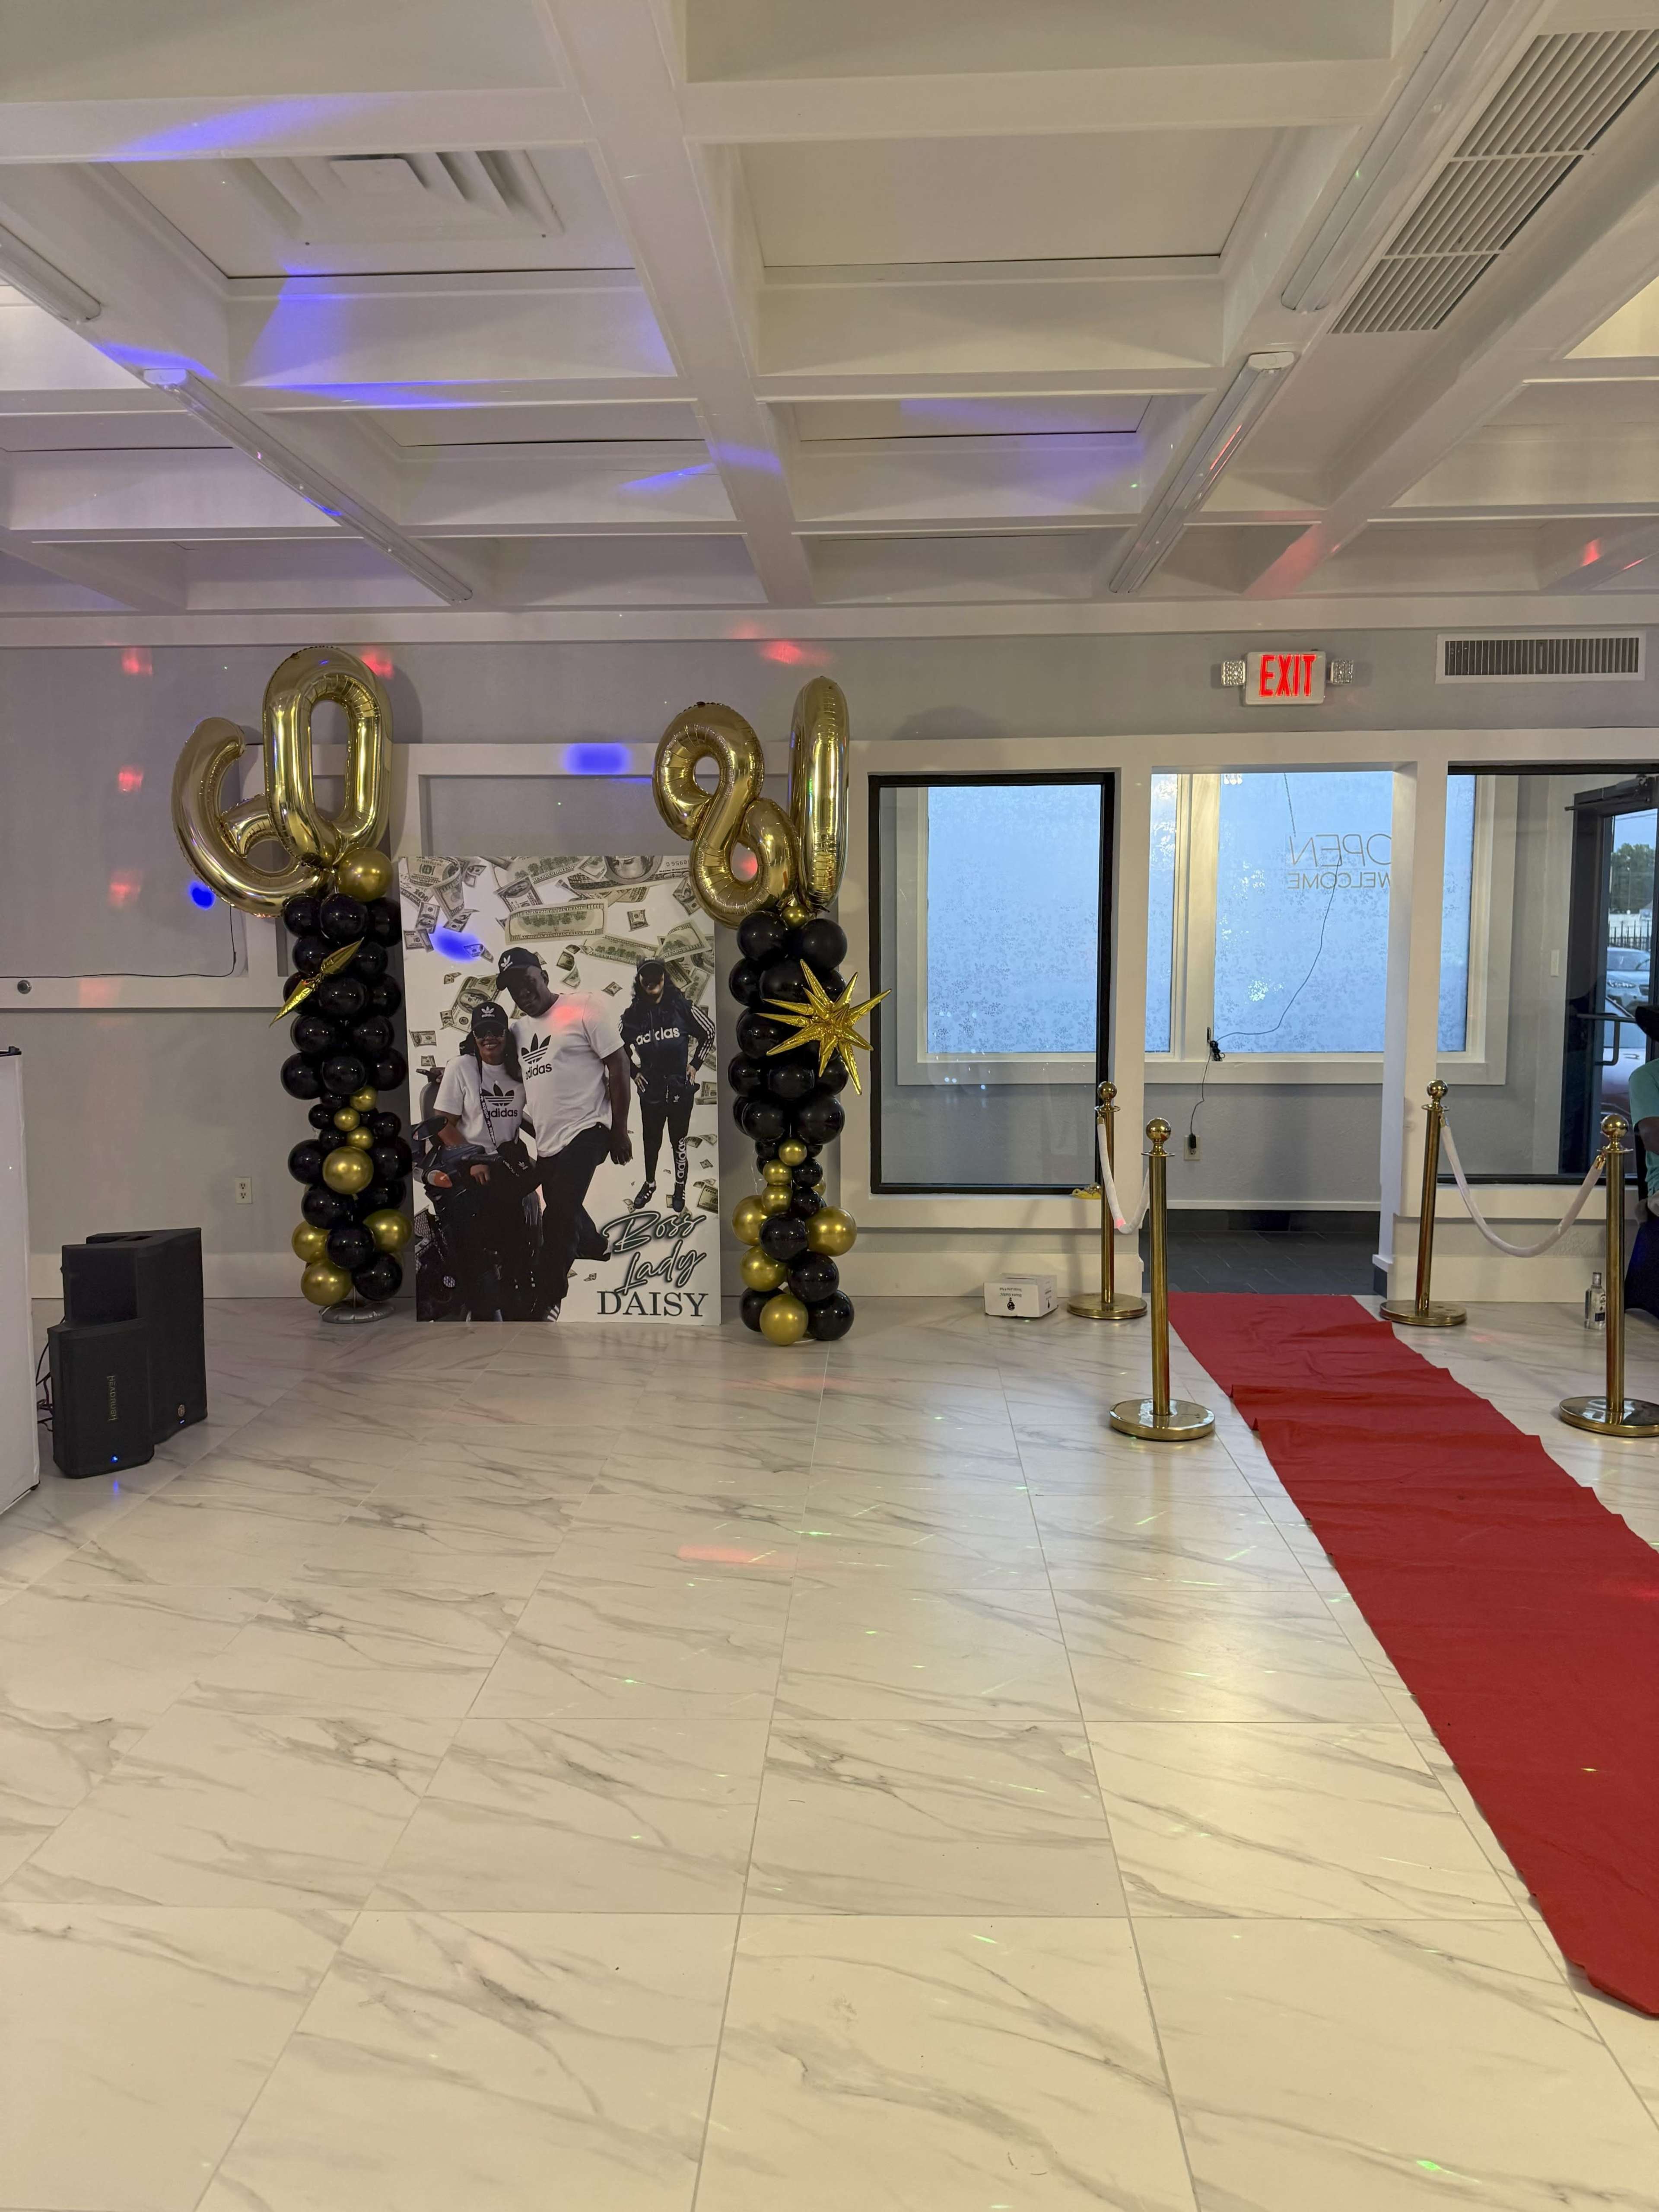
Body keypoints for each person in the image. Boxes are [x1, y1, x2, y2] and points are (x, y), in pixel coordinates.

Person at [496, 945, 633, 1318]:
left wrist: (619, 1129)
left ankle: (548, 1298)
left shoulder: (586, 1007)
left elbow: (620, 1067)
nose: (522, 992)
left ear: (543, 973)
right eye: (512, 988)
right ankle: (595, 1245)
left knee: (556, 1216)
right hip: (547, 1139)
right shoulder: (519, 1031)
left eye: (526, 981)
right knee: (563, 1203)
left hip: (589, 1129)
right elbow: (495, 1069)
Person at [428, 1005, 536, 1318]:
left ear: (507, 1034)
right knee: (474, 1235)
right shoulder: (461, 1067)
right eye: (482, 1032)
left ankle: (520, 1296)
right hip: (468, 1163)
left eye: (496, 1031)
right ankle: (481, 1301)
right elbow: (442, 1123)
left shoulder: (521, 1069)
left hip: (506, 1162)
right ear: (473, 1036)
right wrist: (471, 1158)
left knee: (517, 1233)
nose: (490, 1038)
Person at [620, 957, 714, 1213]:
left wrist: (695, 1064)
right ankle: (650, 1184)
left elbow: (710, 1032)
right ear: (639, 981)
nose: (651, 981)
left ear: (664, 978)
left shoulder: (682, 1007)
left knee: (679, 1141)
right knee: (651, 1141)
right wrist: (633, 1071)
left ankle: (680, 1186)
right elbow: (616, 1046)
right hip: (650, 1091)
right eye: (645, 977)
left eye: (656, 976)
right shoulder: (632, 1015)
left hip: (679, 1089)